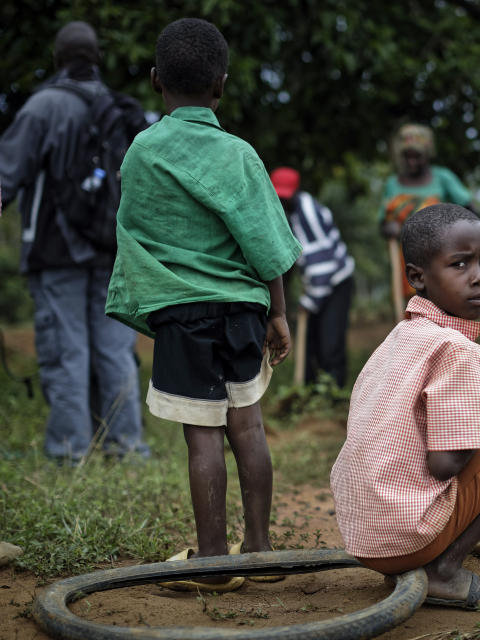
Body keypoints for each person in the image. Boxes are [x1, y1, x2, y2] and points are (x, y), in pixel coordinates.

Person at [105, 18, 302, 591]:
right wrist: (279, 312)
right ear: (221, 84)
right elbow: (267, 243)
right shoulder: (238, 154)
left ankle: (214, 561)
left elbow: (135, 231)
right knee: (249, 426)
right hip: (241, 310)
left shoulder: (142, 152)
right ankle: (261, 553)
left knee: (203, 436)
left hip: (181, 313)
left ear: (154, 82)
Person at [331, 204, 480, 611]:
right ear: (417, 276)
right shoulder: (459, 351)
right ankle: (445, 570)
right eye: (460, 264)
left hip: (365, 536)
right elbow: (445, 465)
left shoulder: (401, 338)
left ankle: (441, 553)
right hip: (409, 539)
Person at [0, 21, 150, 464]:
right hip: (111, 250)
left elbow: (5, 176)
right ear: (97, 59)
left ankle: (70, 453)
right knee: (115, 351)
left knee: (67, 351)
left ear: (57, 59)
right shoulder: (120, 109)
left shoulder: (43, 107)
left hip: (56, 251)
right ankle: (126, 449)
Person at [270, 167, 354, 387]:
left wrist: (308, 303)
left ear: (295, 193)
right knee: (310, 341)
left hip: (336, 282)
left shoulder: (308, 212)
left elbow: (323, 268)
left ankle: (332, 394)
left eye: (285, 198)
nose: (282, 202)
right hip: (317, 284)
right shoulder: (287, 214)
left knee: (330, 342)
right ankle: (309, 390)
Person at [379, 124, 472, 299]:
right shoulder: (393, 184)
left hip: (443, 253)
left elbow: (469, 209)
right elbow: (383, 221)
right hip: (407, 259)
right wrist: (388, 227)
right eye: (407, 157)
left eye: (417, 156)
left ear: (427, 155)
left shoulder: (442, 178)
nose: (411, 162)